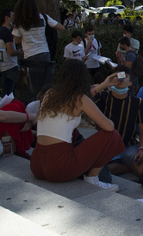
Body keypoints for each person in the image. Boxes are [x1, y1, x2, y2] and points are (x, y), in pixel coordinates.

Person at [30, 60, 124, 190]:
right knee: (112, 135)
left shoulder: (49, 94)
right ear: (83, 79)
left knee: (74, 132)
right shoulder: (80, 99)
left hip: (36, 164)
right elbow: (108, 127)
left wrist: (104, 85)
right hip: (59, 167)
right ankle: (92, 178)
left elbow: (74, 101)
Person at [94, 65, 143, 177]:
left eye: (125, 76)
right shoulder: (103, 97)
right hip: (107, 146)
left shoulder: (138, 102)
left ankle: (131, 164)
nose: (120, 79)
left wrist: (142, 149)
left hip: (129, 146)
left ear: (130, 83)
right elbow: (83, 98)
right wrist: (104, 84)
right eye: (117, 75)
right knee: (97, 170)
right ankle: (129, 166)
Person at [12, 0, 65, 94]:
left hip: (30, 56)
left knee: (34, 88)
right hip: (45, 53)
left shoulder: (19, 22)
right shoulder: (43, 17)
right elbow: (61, 27)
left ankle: (35, 106)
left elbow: (16, 40)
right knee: (46, 86)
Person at [0, 8, 23, 95]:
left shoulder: (1, 31)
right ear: (7, 18)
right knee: (21, 89)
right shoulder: (7, 33)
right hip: (10, 66)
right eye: (13, 16)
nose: (15, 18)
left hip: (3, 66)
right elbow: (11, 51)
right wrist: (21, 52)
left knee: (6, 92)